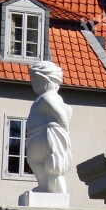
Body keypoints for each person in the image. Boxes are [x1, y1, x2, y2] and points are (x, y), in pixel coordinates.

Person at [26, 61, 72, 194]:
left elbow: (60, 113)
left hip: (40, 138)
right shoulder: (56, 98)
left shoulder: (45, 98)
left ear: (43, 80)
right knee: (40, 163)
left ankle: (44, 186)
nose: (32, 83)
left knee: (34, 160)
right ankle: (46, 187)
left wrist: (65, 128)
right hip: (40, 137)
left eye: (34, 80)